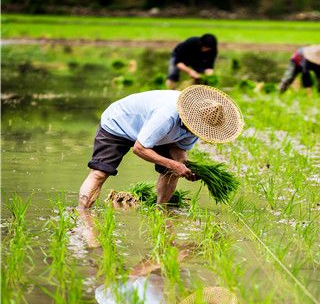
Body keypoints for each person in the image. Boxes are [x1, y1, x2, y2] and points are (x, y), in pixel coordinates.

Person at [77, 85, 244, 210]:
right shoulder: (167, 115)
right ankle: (82, 215)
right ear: (190, 118)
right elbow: (140, 148)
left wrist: (185, 167)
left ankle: (160, 210)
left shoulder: (199, 126)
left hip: (154, 133)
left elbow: (179, 152)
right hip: (119, 123)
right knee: (100, 173)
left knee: (172, 172)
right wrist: (174, 165)